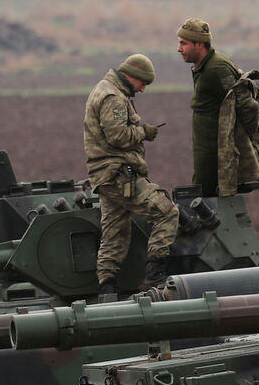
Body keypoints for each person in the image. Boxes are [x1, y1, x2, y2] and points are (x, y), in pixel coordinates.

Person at [84, 54, 180, 295]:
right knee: (167, 212)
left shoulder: (105, 90)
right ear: (131, 76)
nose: (143, 89)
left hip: (105, 177)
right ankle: (154, 274)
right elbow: (117, 136)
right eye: (142, 83)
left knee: (115, 232)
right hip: (118, 175)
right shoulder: (113, 96)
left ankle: (106, 287)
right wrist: (143, 132)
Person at [177, 18, 241, 196]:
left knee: (207, 200)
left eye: (184, 43)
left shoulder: (216, 68)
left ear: (199, 44)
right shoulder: (203, 67)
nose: (179, 48)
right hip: (205, 150)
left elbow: (242, 104)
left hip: (215, 154)